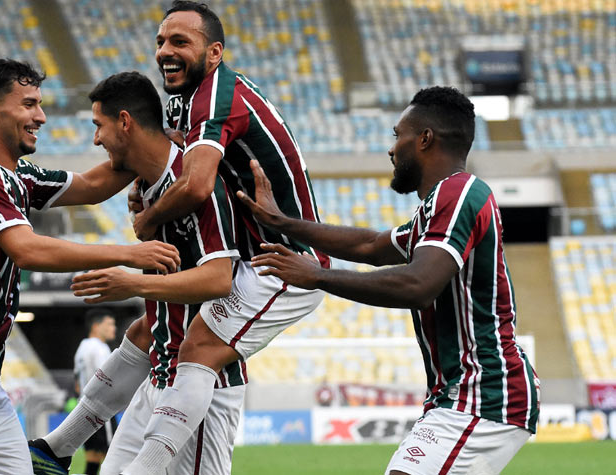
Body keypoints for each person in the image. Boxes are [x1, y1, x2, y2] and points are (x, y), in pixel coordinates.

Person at [0, 58, 180, 475]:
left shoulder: (16, 175)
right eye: (28, 104)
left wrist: (152, 144)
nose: (40, 116)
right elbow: (28, 250)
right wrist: (128, 253)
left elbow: (94, 186)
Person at [238, 86, 540, 475]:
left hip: (485, 392)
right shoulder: (434, 210)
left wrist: (318, 276)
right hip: (460, 393)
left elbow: (419, 285)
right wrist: (282, 223)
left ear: (425, 139)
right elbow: (371, 245)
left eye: (398, 135)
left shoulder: (460, 192)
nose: (392, 148)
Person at [120, 2, 329, 473]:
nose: (165, 52)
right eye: (160, 42)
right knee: (153, 333)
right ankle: (63, 445)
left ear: (214, 53)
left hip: (285, 263)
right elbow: (173, 159)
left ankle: (137, 466)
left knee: (196, 349)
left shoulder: (215, 97)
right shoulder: (186, 97)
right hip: (252, 259)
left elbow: (195, 185)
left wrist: (149, 219)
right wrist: (145, 183)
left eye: (180, 42)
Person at [29, 71, 246, 475]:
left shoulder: (196, 184)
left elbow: (219, 280)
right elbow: (92, 185)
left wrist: (130, 281)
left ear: (125, 122)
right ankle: (56, 447)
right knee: (141, 331)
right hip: (157, 380)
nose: (96, 139)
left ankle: (57, 446)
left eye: (99, 126)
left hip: (200, 390)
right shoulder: (148, 186)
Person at [73, 309, 118, 475]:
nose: (113, 328)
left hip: (83, 410)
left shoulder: (82, 347)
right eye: (110, 324)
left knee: (92, 457)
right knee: (113, 457)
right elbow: (107, 379)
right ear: (96, 326)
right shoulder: (100, 348)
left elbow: (77, 384)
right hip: (102, 410)